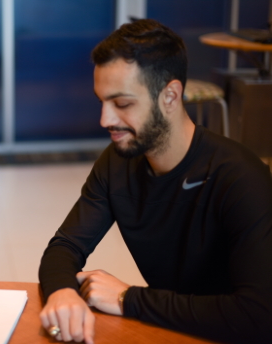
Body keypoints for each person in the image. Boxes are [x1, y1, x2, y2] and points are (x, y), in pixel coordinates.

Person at [39, 19, 272, 344]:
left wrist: (128, 299)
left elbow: (257, 316)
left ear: (171, 96)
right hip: (172, 330)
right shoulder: (117, 162)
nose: (105, 120)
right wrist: (63, 293)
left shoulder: (241, 178)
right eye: (102, 102)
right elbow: (65, 247)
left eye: (122, 104)